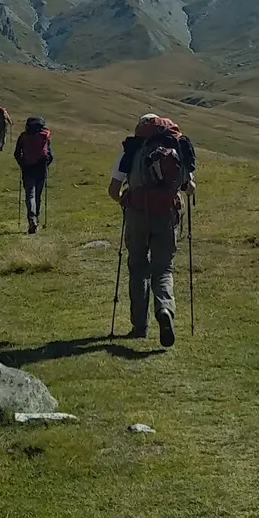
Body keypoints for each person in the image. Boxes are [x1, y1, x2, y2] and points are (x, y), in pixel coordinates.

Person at [106, 113, 195, 347]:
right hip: (167, 215)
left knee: (137, 266)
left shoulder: (131, 150)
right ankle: (164, 309)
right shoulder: (176, 147)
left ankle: (139, 325)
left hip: (137, 215)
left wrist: (126, 199)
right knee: (163, 267)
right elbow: (190, 186)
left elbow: (113, 190)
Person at [14, 116, 53, 234]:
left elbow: (16, 153)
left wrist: (22, 164)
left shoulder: (23, 136)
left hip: (28, 167)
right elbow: (50, 155)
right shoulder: (44, 136)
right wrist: (46, 165)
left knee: (30, 194)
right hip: (41, 167)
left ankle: (32, 219)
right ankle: (37, 219)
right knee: (38, 195)